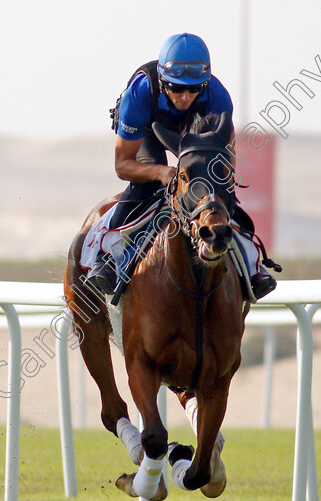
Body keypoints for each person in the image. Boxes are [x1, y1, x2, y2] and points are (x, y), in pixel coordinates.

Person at [86, 32, 277, 300]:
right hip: (148, 132)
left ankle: (252, 265)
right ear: (163, 82)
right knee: (146, 188)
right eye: (176, 88)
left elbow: (226, 161)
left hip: (197, 140)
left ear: (205, 83)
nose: (185, 96)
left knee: (218, 191)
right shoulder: (139, 94)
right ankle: (106, 260)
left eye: (194, 89)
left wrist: (215, 186)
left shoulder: (218, 98)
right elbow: (122, 165)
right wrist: (162, 173)